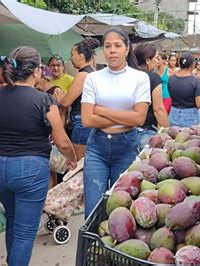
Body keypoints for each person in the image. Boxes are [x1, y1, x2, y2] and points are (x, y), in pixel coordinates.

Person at [0, 46, 77, 266]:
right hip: (30, 168)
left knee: (14, 221)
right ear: (36, 71)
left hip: (0, 166)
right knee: (25, 233)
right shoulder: (43, 101)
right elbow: (62, 141)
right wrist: (72, 158)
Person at [81, 27, 151, 218]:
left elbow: (139, 118)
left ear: (127, 49)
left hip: (128, 145)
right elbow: (87, 119)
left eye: (118, 45)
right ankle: (93, 247)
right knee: (93, 211)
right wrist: (124, 115)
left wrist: (101, 110)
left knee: (121, 209)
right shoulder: (93, 79)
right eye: (108, 46)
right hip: (97, 147)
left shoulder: (140, 78)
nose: (112, 50)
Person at [54, 37, 99, 160]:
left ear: (81, 56)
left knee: (79, 162)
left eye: (72, 54)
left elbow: (66, 101)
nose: (71, 58)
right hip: (89, 121)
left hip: (81, 122)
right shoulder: (93, 72)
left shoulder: (83, 75)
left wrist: (60, 98)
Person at [134, 43, 169, 144]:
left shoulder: (128, 75)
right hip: (145, 132)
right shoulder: (153, 78)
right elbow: (158, 109)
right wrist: (167, 133)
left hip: (125, 131)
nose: (158, 61)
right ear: (147, 60)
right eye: (156, 58)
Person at [168, 52, 200, 127]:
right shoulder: (195, 82)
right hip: (190, 116)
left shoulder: (171, 79)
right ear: (192, 65)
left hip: (173, 114)